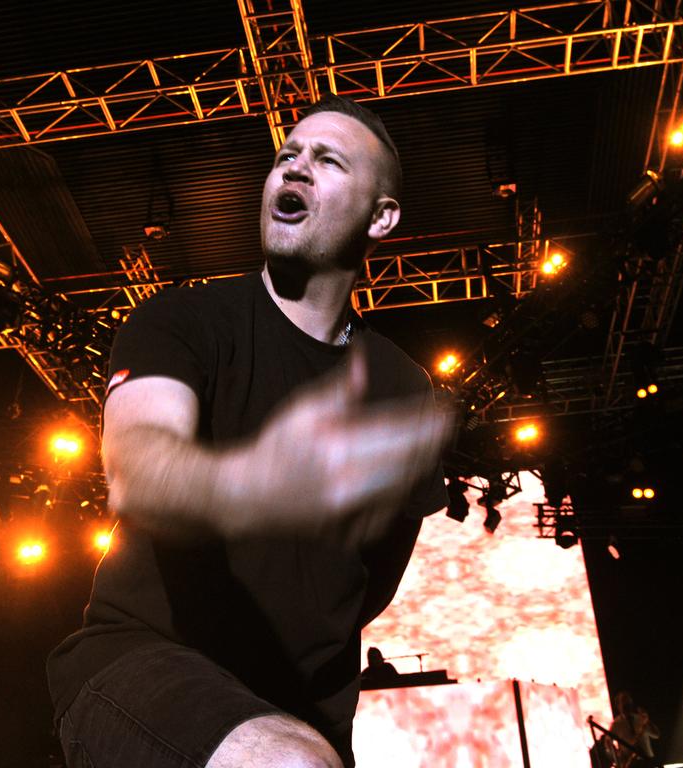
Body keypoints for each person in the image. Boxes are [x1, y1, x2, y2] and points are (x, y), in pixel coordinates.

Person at [46, 94, 449, 768]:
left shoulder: (403, 386)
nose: (294, 169)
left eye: (326, 161)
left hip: (303, 715)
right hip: (140, 665)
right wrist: (254, 481)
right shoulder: (182, 321)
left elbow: (373, 582)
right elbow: (139, 467)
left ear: (383, 216)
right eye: (287, 156)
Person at [609, 691, 660, 767]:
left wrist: (647, 721)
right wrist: (618, 756)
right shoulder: (616, 724)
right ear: (618, 706)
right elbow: (608, 743)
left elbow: (656, 735)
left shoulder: (640, 718)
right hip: (631, 763)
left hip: (647, 760)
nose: (627, 706)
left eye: (629, 703)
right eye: (624, 704)